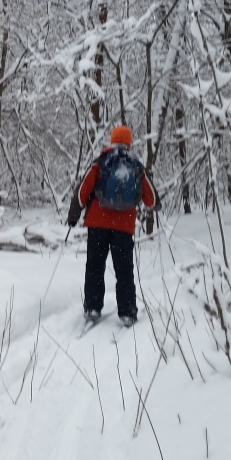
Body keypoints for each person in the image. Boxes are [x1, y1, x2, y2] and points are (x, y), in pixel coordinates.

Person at [75, 125, 155, 326]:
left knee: (94, 266)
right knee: (124, 270)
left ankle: (92, 308)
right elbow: (151, 198)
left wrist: (74, 213)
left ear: (112, 141)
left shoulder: (101, 161)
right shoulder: (136, 166)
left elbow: (82, 190)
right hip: (123, 226)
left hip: (97, 224)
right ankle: (127, 312)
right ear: (129, 143)